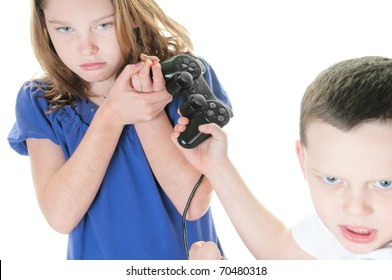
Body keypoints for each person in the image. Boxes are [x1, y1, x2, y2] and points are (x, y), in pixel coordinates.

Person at [7, 0, 231, 260]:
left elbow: (193, 204)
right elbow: (60, 217)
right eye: (65, 29)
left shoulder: (184, 79)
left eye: (103, 25)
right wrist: (111, 115)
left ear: (132, 16)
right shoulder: (39, 101)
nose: (86, 48)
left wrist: (145, 105)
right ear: (45, 26)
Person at [172, 56, 392, 260]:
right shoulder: (346, 224)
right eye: (332, 180)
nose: (355, 208)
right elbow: (279, 251)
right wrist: (216, 166)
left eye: (385, 183)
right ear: (303, 160)